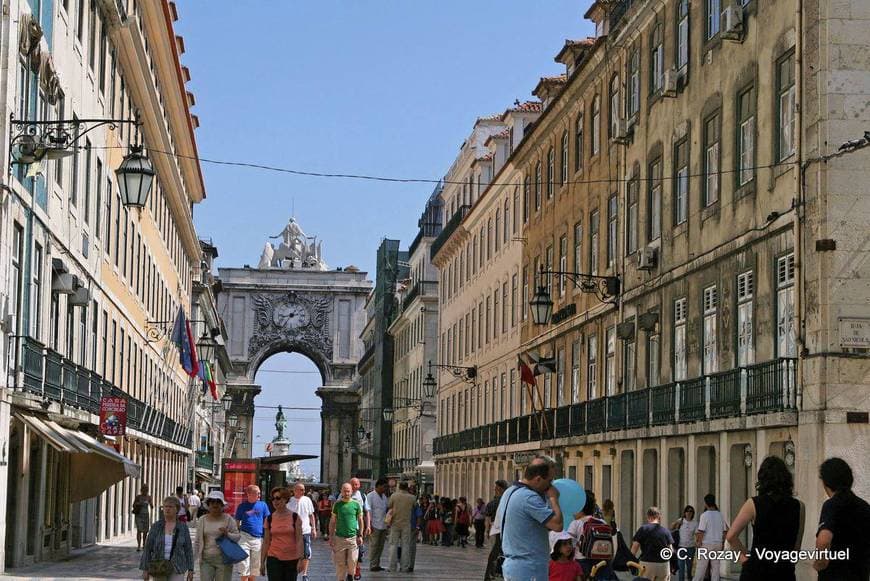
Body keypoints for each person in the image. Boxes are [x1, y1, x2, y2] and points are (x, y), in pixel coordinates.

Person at [724, 456, 803, 580]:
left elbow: (731, 536)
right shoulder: (799, 506)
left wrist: (744, 558)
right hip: (784, 570)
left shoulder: (753, 504)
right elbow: (796, 547)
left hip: (756, 569)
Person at [494, 455, 564, 581]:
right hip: (529, 568)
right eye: (549, 481)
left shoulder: (510, 491)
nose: (550, 486)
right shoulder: (529, 498)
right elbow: (557, 525)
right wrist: (553, 498)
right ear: (538, 479)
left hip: (515, 565)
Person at [813, 457, 870, 580]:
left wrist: (819, 563)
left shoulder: (831, 505)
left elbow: (823, 540)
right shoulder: (865, 506)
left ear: (826, 482)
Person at [139, 496, 195, 581]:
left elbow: (188, 549)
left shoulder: (183, 527)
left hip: (177, 567)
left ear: (177, 509)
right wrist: (145, 569)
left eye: (171, 507)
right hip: (159, 567)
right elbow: (148, 548)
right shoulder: (156, 526)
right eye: (165, 506)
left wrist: (191, 569)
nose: (167, 509)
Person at [194, 491, 240, 581]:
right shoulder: (202, 520)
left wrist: (227, 534)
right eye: (212, 502)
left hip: (224, 560)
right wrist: (193, 560)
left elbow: (237, 537)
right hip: (206, 559)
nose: (215, 504)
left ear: (222, 505)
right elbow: (197, 541)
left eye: (218, 502)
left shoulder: (228, 519)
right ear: (208, 504)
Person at [261, 486, 304, 581]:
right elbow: (266, 542)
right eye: (273, 499)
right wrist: (262, 562)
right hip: (274, 558)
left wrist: (301, 559)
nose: (275, 501)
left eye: (278, 498)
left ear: (285, 499)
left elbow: (299, 539)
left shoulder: (295, 517)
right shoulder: (269, 519)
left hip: (292, 559)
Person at [235, 484, 271, 581]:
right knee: (243, 563)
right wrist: (238, 533)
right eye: (257, 494)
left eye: (259, 494)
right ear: (249, 494)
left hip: (258, 538)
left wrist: (268, 535)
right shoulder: (242, 506)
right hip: (244, 537)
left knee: (255, 565)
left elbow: (267, 520)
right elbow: (237, 521)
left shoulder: (263, 505)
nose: (259, 496)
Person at [330, 482, 364, 581]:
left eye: (348, 491)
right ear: (341, 491)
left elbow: (360, 520)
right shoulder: (337, 505)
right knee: (340, 563)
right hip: (339, 538)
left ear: (351, 492)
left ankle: (350, 575)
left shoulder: (356, 504)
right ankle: (341, 579)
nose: (346, 493)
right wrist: (331, 536)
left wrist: (360, 535)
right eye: (344, 491)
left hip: (352, 538)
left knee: (353, 560)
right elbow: (332, 521)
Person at [630, 506, 674, 581]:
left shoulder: (643, 529)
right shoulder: (666, 531)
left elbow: (634, 549)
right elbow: (671, 551)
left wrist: (631, 563)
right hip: (663, 565)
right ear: (659, 517)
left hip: (647, 564)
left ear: (648, 517)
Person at [692, 494, 729, 581]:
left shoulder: (704, 515)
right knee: (716, 569)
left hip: (706, 544)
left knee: (701, 568)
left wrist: (698, 542)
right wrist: (723, 543)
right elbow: (725, 531)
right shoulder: (720, 515)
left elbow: (701, 531)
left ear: (705, 503)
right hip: (718, 544)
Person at [288, 482, 317, 581]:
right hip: (293, 532)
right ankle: (294, 571)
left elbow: (311, 515)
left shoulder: (307, 500)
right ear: (294, 490)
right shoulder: (289, 501)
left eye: (303, 490)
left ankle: (305, 574)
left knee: (306, 552)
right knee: (294, 553)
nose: (303, 491)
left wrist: (313, 528)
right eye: (300, 489)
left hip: (305, 530)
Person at [387, 481, 417, 573]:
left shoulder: (394, 496)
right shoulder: (412, 498)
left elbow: (389, 506)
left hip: (395, 523)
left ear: (399, 487)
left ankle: (392, 567)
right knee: (406, 546)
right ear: (407, 487)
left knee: (393, 545)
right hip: (406, 524)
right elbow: (414, 507)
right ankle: (404, 567)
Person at [484, 479, 510, 581]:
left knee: (494, 553)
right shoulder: (509, 501)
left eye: (496, 488)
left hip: (496, 530)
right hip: (507, 530)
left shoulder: (493, 503)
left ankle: (491, 574)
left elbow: (487, 518)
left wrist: (487, 530)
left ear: (499, 489)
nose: (494, 490)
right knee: (504, 553)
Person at [365, 477, 389, 572]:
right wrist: (369, 524)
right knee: (374, 545)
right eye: (384, 487)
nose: (385, 489)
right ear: (378, 486)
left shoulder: (384, 497)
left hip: (383, 524)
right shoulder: (370, 496)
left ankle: (377, 563)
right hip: (374, 524)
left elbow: (386, 509)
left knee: (380, 546)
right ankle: (372, 564)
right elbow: (368, 510)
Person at [670, 505, 698, 581]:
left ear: (693, 513)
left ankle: (689, 578)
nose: (689, 513)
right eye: (687, 511)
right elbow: (671, 528)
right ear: (685, 512)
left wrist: (697, 543)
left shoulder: (695, 523)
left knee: (689, 567)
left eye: (691, 511)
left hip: (690, 548)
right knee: (681, 568)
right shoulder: (681, 521)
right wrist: (676, 522)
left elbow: (696, 535)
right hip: (681, 547)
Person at [133, 484, 154, 552]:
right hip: (139, 515)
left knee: (145, 531)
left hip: (146, 515)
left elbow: (152, 506)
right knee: (139, 530)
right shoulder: (138, 497)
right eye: (143, 490)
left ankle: (144, 544)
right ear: (141, 490)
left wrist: (150, 503)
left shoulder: (149, 497)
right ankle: (138, 545)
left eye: (146, 490)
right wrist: (138, 503)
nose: (145, 491)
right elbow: (133, 505)